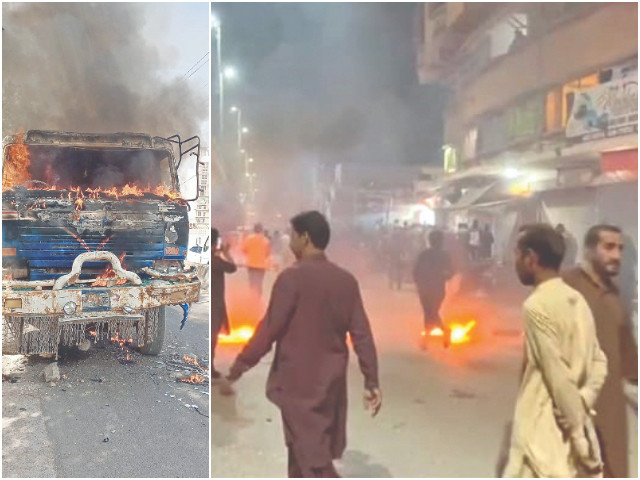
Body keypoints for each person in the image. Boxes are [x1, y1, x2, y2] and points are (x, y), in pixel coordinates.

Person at [224, 211, 381, 478]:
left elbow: (269, 330)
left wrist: (239, 366)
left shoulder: (292, 279)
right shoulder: (345, 281)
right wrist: (371, 380)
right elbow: (362, 335)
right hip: (330, 383)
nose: (289, 242)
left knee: (313, 462)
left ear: (305, 238)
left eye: (293, 236)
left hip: (298, 384)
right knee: (301, 455)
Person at [504, 224, 607, 478]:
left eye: (517, 255)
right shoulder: (577, 300)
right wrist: (585, 398)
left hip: (541, 435)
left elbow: (557, 376)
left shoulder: (536, 306)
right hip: (566, 431)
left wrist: (580, 439)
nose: (514, 262)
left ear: (531, 258)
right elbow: (599, 361)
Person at [562, 225, 638, 478]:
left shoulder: (614, 295)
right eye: (608, 247)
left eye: (620, 249)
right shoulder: (566, 286)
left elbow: (627, 350)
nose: (616, 255)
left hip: (611, 411)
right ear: (589, 250)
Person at [413, 230, 454, 348]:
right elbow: (451, 272)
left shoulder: (424, 254)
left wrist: (418, 282)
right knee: (431, 313)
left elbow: (416, 271)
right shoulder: (444, 256)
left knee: (430, 313)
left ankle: (441, 333)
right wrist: (444, 276)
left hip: (426, 288)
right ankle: (428, 339)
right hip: (437, 289)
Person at [210, 228, 237, 379]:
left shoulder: (211, 259)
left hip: (212, 305)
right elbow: (233, 268)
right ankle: (211, 369)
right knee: (213, 338)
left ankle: (211, 367)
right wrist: (226, 253)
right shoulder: (217, 261)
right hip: (216, 306)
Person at [241, 223, 271, 299]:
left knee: (252, 283)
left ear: (254, 230)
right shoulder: (266, 240)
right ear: (261, 230)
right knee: (259, 283)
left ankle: (252, 297)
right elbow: (267, 253)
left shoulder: (248, 239)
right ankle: (258, 298)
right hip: (261, 266)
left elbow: (244, 250)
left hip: (251, 265)